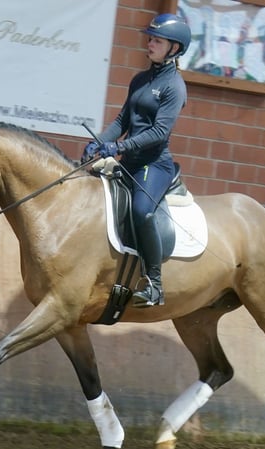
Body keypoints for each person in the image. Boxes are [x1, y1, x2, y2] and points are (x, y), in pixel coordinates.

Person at [82, 13, 190, 308]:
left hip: (153, 164)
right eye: (150, 39)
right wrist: (100, 142)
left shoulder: (174, 86)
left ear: (174, 48)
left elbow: (159, 133)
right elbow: (122, 120)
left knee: (142, 211)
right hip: (129, 160)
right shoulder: (140, 79)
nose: (150, 43)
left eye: (157, 41)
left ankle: (154, 284)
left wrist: (119, 146)